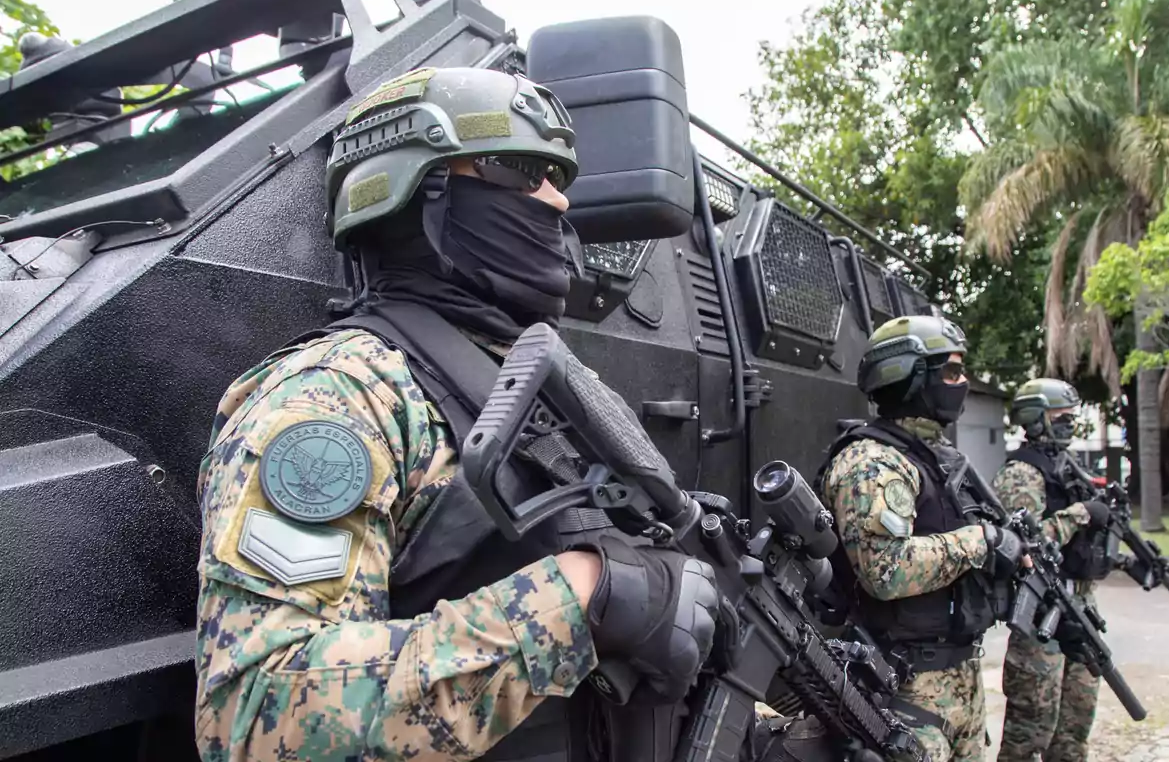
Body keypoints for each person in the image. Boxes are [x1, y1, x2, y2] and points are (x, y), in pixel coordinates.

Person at [193, 65, 831, 762]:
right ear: (418, 190)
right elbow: (255, 718)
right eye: (524, 171)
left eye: (558, 176)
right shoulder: (339, 394)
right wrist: (583, 596)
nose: (558, 203)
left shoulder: (547, 384)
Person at [815, 315, 1027, 762]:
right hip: (905, 691)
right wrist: (981, 541)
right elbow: (885, 571)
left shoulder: (938, 459)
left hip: (961, 680)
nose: (963, 382)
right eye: (951, 372)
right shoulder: (870, 461)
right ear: (909, 376)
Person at [994, 378, 1111, 762]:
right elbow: (1022, 543)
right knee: (1031, 729)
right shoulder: (1021, 474)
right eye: (1061, 417)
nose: (1069, 425)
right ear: (1035, 417)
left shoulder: (1067, 466)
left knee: (1075, 729)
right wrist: (1079, 515)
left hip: (1080, 609)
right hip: (1043, 616)